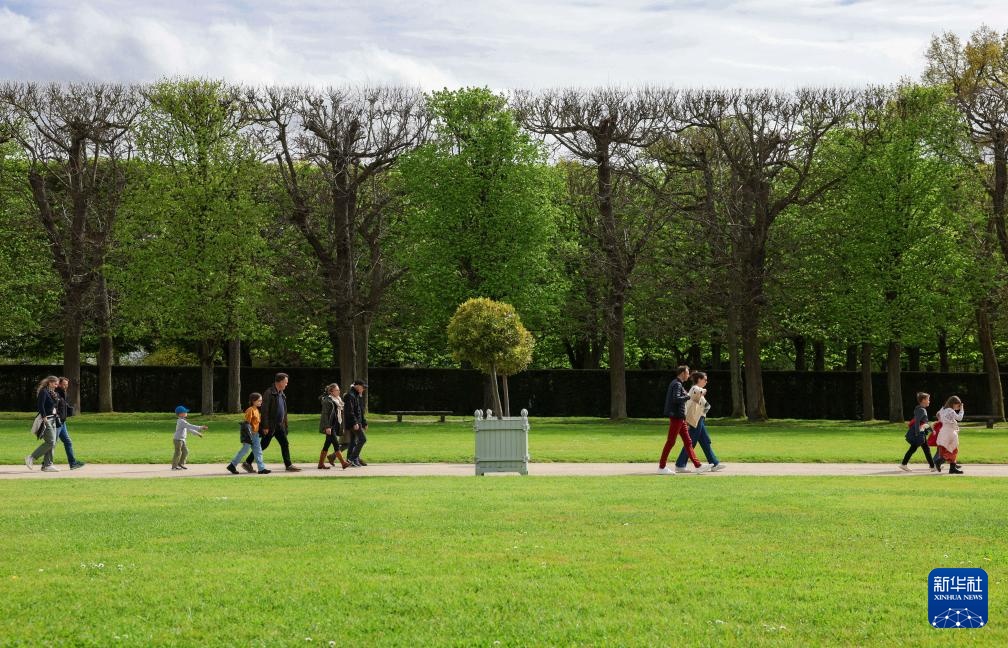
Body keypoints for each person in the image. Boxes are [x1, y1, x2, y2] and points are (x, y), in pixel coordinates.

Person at [244, 373, 300, 472]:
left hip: (279, 425)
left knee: (285, 443)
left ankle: (288, 465)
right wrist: (265, 426)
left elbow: (284, 411)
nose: (286, 384)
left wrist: (285, 425)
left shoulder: (281, 394)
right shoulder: (269, 393)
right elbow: (264, 411)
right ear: (280, 382)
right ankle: (248, 462)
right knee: (263, 445)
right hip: (270, 425)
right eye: (285, 382)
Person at [658, 366, 708, 475]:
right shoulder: (677, 384)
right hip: (676, 417)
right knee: (671, 442)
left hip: (680, 417)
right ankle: (662, 467)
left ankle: (698, 465)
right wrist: (689, 396)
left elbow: (677, 398)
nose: (689, 375)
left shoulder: (677, 384)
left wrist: (686, 396)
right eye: (687, 373)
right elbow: (675, 399)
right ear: (682, 373)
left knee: (688, 442)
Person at [675, 371, 723, 473]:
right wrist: (703, 391)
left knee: (705, 441)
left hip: (699, 420)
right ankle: (680, 464)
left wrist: (703, 414)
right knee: (691, 443)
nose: (706, 381)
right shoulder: (694, 389)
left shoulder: (698, 390)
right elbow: (698, 393)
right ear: (699, 380)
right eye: (705, 379)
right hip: (693, 421)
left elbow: (707, 406)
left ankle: (714, 463)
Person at [227, 393, 271, 475]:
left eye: (261, 400)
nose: (261, 402)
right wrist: (248, 436)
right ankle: (232, 465)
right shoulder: (250, 410)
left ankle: (261, 469)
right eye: (259, 400)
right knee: (244, 450)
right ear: (253, 401)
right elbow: (246, 424)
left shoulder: (257, 410)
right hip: (249, 435)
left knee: (258, 451)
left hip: (256, 435)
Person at [26, 376, 61, 472]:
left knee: (53, 443)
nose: (56, 385)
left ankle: (47, 465)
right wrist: (44, 417)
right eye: (55, 383)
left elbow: (54, 406)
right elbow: (40, 405)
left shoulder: (53, 393)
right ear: (50, 382)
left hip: (53, 419)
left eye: (57, 384)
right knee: (51, 441)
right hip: (46, 420)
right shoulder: (44, 392)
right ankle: (32, 457)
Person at [900, 391, 936, 473]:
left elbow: (924, 423)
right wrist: (917, 434)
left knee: (926, 449)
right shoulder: (921, 410)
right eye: (928, 399)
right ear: (923, 400)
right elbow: (917, 422)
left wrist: (931, 430)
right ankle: (904, 464)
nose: (929, 401)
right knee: (914, 449)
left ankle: (932, 466)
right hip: (919, 433)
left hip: (921, 432)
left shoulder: (920, 409)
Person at [54, 377, 84, 470]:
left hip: (63, 422)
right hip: (58, 422)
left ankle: (72, 463)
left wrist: (68, 410)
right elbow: (55, 407)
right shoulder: (56, 393)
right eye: (64, 384)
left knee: (67, 442)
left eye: (67, 384)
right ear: (59, 384)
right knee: (51, 443)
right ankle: (38, 459)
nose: (66, 386)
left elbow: (62, 405)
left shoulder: (62, 393)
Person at [319, 383, 350, 470]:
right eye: (337, 390)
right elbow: (325, 415)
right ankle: (343, 463)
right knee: (336, 444)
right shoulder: (327, 401)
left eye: (339, 390)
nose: (339, 391)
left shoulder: (338, 400)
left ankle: (320, 464)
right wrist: (327, 427)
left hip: (335, 425)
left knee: (327, 444)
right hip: (330, 426)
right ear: (331, 392)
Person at [935, 396, 964, 475]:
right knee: (953, 449)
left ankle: (952, 468)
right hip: (950, 432)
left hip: (943, 431)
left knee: (946, 449)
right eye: (958, 405)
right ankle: (940, 461)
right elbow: (960, 418)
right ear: (953, 404)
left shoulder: (943, 409)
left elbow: (938, 415)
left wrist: (945, 420)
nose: (958, 407)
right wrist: (962, 410)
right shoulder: (950, 410)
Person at [172, 405, 206, 470]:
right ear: (180, 414)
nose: (186, 413)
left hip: (182, 439)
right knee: (178, 452)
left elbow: (189, 429)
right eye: (185, 412)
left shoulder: (183, 421)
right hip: (177, 440)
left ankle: (181, 463)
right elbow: (190, 426)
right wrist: (200, 427)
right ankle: (174, 466)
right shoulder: (181, 421)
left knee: (185, 451)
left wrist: (198, 433)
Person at [344, 380, 368, 467]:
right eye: (363, 387)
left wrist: (364, 422)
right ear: (357, 386)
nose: (364, 389)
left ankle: (349, 460)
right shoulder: (350, 395)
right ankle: (352, 458)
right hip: (353, 423)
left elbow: (360, 410)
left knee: (353, 441)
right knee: (363, 439)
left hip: (357, 422)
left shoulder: (356, 395)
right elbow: (349, 411)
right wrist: (355, 422)